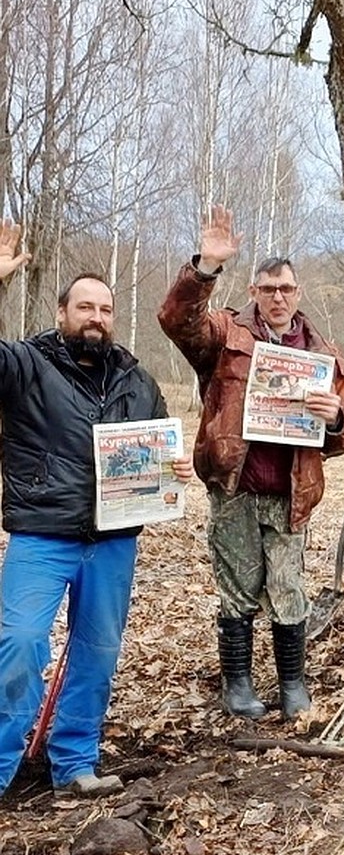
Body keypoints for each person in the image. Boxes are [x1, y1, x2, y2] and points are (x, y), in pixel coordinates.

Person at [0, 220, 194, 798]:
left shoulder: (136, 380)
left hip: (113, 541)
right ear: (62, 312)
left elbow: (157, 450)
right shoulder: (26, 368)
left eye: (106, 309)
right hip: (43, 534)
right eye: (85, 306)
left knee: (97, 653)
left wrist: (173, 471)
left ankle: (75, 764)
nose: (97, 317)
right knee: (20, 644)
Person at [158, 206, 344, 722]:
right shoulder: (226, 336)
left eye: (285, 289)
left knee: (289, 589)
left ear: (298, 293)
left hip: (291, 492)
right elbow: (177, 321)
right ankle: (239, 684)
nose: (277, 297)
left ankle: (293, 683)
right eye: (267, 289)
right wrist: (205, 266)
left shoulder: (323, 354)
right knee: (238, 588)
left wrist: (335, 418)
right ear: (253, 292)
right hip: (236, 486)